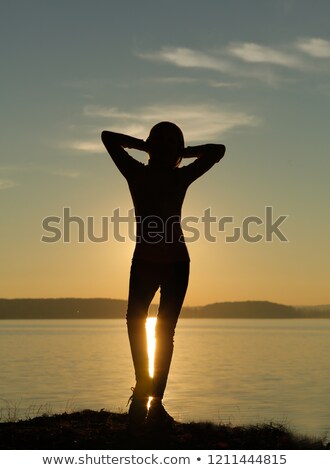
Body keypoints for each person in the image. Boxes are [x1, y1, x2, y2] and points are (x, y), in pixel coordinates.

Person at [101, 122, 226, 430]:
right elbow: (108, 138)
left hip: (176, 263)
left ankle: (155, 404)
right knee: (135, 320)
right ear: (153, 144)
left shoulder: (180, 175)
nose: (168, 145)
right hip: (144, 261)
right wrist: (147, 147)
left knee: (164, 333)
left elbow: (217, 151)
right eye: (163, 140)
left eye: (175, 142)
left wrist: (180, 153)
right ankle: (143, 386)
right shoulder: (136, 172)